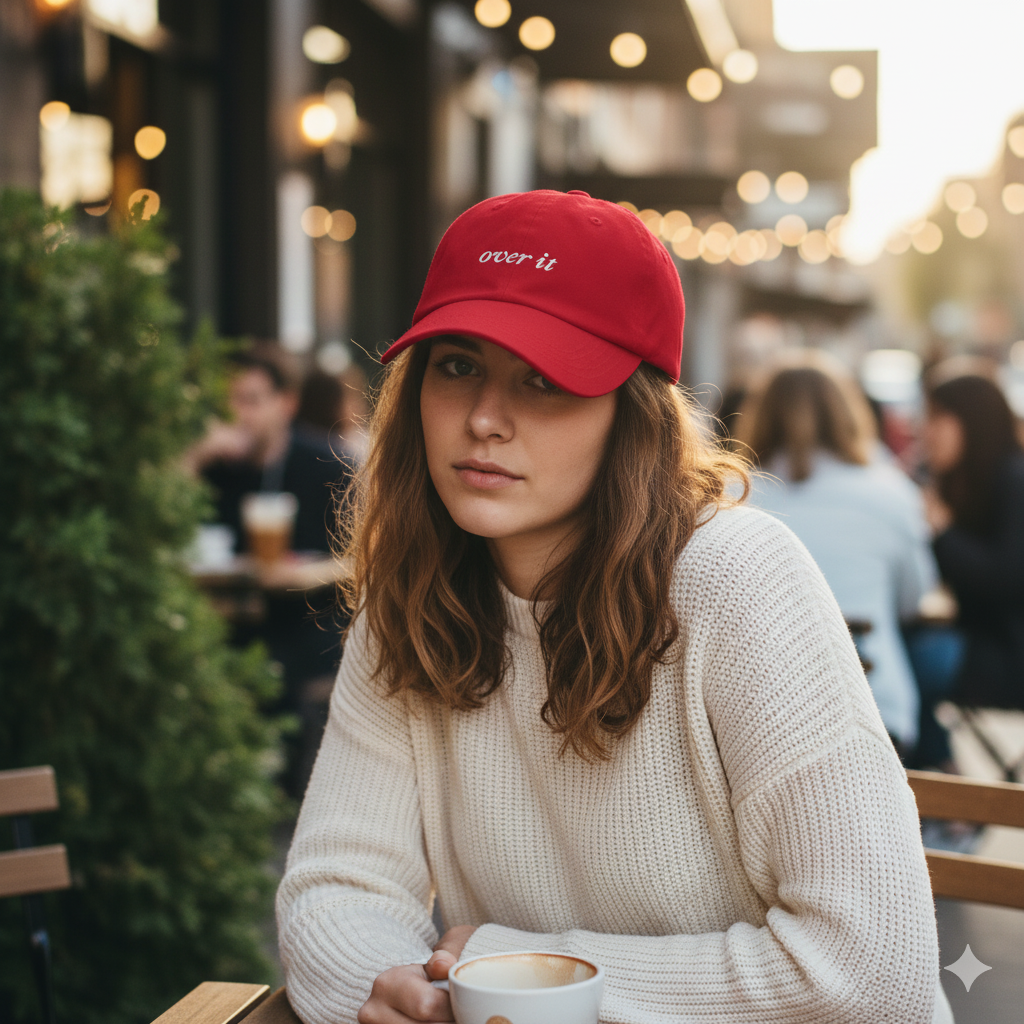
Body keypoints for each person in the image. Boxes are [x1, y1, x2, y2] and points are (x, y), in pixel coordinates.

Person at [276, 191, 952, 1024]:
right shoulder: (412, 598)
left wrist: (512, 973)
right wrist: (406, 995)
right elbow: (335, 892)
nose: (485, 418)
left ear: (631, 416)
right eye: (456, 365)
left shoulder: (737, 578)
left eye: (545, 380)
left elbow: (872, 971)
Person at [736, 353, 938, 757]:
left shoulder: (729, 495)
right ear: (848, 412)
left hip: (753, 721)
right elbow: (915, 599)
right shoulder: (892, 493)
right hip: (874, 711)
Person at [922, 370, 1024, 713]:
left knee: (909, 659)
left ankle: (929, 762)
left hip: (1008, 655)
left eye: (937, 418)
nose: (928, 432)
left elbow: (1005, 578)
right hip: (984, 643)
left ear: (971, 422)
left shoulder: (1015, 481)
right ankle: (934, 759)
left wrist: (944, 531)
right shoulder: (971, 485)